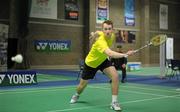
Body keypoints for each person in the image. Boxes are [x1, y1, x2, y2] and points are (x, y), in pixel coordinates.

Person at [70, 20, 134, 111]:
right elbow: (110, 53)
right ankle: (76, 95)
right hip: (91, 63)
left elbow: (97, 32)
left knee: (115, 76)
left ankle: (114, 102)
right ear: (103, 30)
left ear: (112, 30)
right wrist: (125, 54)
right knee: (82, 86)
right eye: (105, 29)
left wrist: (94, 34)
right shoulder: (101, 41)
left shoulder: (111, 36)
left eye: (109, 29)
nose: (107, 31)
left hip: (103, 60)